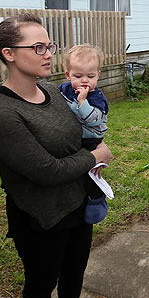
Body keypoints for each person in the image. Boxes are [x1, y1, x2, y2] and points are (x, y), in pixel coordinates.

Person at [0, 13, 114, 298]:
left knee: (73, 276)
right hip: (40, 217)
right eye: (38, 47)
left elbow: (75, 139)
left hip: (78, 204)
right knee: (41, 283)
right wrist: (95, 158)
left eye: (49, 45)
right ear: (9, 54)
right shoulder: (0, 114)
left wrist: (91, 152)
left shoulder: (51, 91)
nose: (48, 52)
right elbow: (45, 170)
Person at [59, 44, 110, 224]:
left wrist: (82, 102)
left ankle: (97, 199)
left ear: (98, 75)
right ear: (68, 75)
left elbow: (94, 120)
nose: (84, 81)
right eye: (78, 76)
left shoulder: (96, 98)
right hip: (74, 138)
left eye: (90, 76)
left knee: (89, 172)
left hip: (90, 139)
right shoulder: (63, 90)